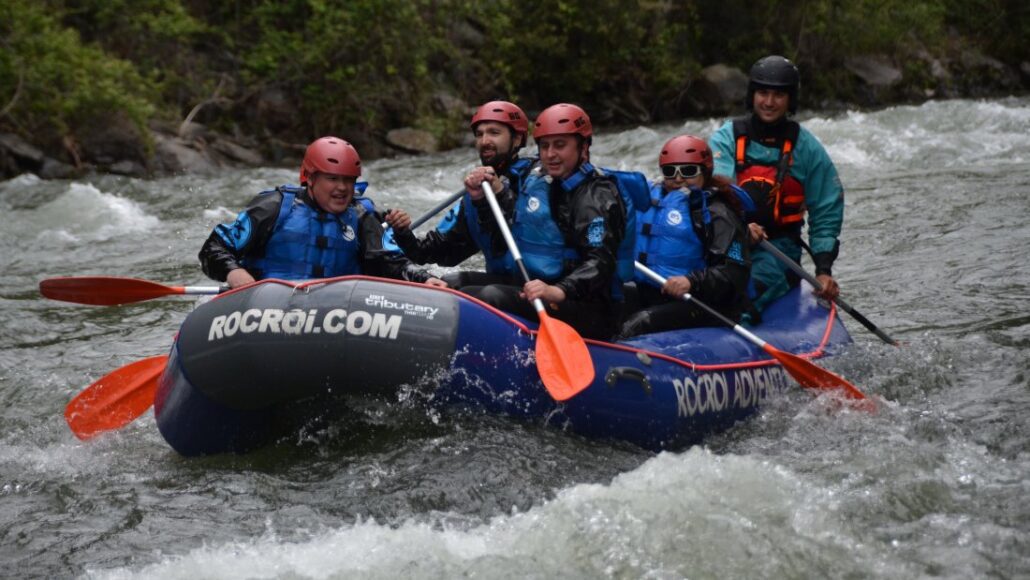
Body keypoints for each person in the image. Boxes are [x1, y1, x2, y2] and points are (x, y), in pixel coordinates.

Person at [460, 103, 633, 340]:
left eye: (560, 145)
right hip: (544, 288)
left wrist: (559, 290)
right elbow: (506, 236)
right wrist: (481, 200)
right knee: (461, 290)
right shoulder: (544, 186)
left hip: (590, 307)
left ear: (583, 147)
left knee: (492, 296)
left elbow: (600, 262)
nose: (550, 154)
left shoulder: (596, 196)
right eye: (544, 146)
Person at [199, 136, 445, 288]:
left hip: (337, 314)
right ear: (310, 178)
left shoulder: (362, 216)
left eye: (348, 180)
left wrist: (423, 279)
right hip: (268, 309)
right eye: (333, 179)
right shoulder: (272, 208)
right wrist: (233, 271)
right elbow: (214, 247)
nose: (342, 188)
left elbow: (392, 262)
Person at [708, 55, 845, 314]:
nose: (769, 102)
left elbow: (826, 208)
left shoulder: (806, 148)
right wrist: (740, 226)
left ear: (790, 99)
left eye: (778, 95)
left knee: (741, 296)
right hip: (727, 244)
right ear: (752, 95)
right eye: (763, 93)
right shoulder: (726, 138)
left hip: (778, 251)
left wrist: (823, 269)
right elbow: (715, 192)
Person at [384, 100, 536, 288]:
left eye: (494, 133)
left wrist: (500, 193)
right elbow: (440, 252)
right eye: (479, 134)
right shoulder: (475, 193)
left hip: (542, 285)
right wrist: (403, 232)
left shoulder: (537, 180)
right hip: (505, 282)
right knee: (450, 282)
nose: (484, 141)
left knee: (491, 295)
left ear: (517, 139)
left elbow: (529, 234)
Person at [617, 135, 751, 339]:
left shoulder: (718, 213)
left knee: (639, 323)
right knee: (605, 304)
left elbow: (735, 273)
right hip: (656, 293)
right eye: (670, 172)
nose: (678, 178)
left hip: (702, 301)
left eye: (688, 171)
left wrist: (691, 281)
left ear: (705, 172)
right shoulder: (650, 202)